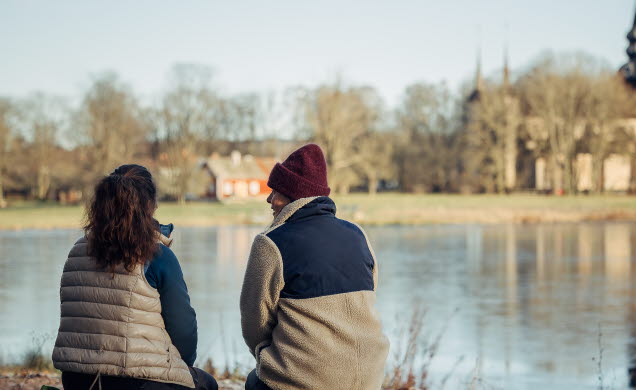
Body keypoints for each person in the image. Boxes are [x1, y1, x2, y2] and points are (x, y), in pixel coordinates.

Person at [52, 164, 217, 390]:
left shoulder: (76, 251)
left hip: (77, 379)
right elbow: (184, 333)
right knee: (207, 384)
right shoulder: (157, 255)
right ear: (150, 205)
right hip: (136, 383)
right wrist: (181, 367)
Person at [240, 144, 389, 390]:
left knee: (254, 383)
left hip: (306, 380)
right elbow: (371, 293)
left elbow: (255, 324)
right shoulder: (358, 234)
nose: (270, 199)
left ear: (293, 196)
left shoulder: (271, 242)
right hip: (369, 378)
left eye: (276, 191)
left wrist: (271, 356)